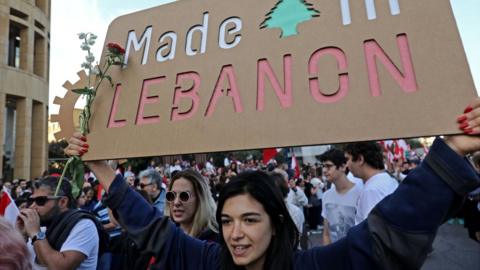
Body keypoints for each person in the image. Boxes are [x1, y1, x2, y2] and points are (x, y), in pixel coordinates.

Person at [65, 99, 480, 269]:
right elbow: (158, 234)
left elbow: (384, 237)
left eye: (249, 219)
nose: (235, 233)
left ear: (277, 221)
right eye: (226, 221)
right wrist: (102, 169)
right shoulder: (212, 261)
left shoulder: (311, 266)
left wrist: (450, 152)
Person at [17, 177, 100, 269]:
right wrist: (20, 236)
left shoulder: (83, 225)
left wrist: (36, 234)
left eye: (40, 201)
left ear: (62, 202)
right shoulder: (42, 222)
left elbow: (60, 267)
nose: (33, 206)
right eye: (31, 200)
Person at [344, 141, 399, 224]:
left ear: (360, 159)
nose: (346, 165)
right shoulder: (388, 180)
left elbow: (373, 231)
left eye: (348, 159)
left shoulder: (372, 190)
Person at [319, 149, 362, 245]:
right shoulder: (326, 196)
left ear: (342, 167)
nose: (324, 170)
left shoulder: (360, 193)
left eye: (328, 166)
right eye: (323, 166)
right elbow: (326, 233)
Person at [166, 169, 219, 241]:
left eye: (184, 196)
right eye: (171, 195)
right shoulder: (166, 234)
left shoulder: (214, 240)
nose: (176, 202)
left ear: (200, 199)